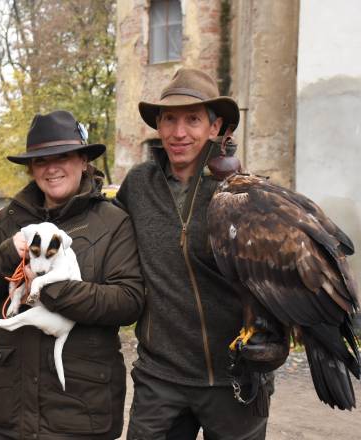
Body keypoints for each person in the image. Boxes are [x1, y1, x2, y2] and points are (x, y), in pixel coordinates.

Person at [116, 68, 288, 439]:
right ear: (158, 126)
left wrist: (275, 336)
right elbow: (100, 231)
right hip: (159, 378)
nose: (179, 133)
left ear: (215, 128)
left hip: (235, 379)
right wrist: (28, 222)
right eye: (169, 119)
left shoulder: (245, 195)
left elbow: (281, 277)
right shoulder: (137, 185)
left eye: (193, 120)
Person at [0, 110, 145, 440]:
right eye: (40, 160)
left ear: (82, 160)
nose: (51, 168)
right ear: (31, 169)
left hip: (79, 410)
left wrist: (49, 290)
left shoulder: (113, 222)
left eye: (62, 156)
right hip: (11, 412)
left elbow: (128, 301)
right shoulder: (9, 219)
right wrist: (8, 252)